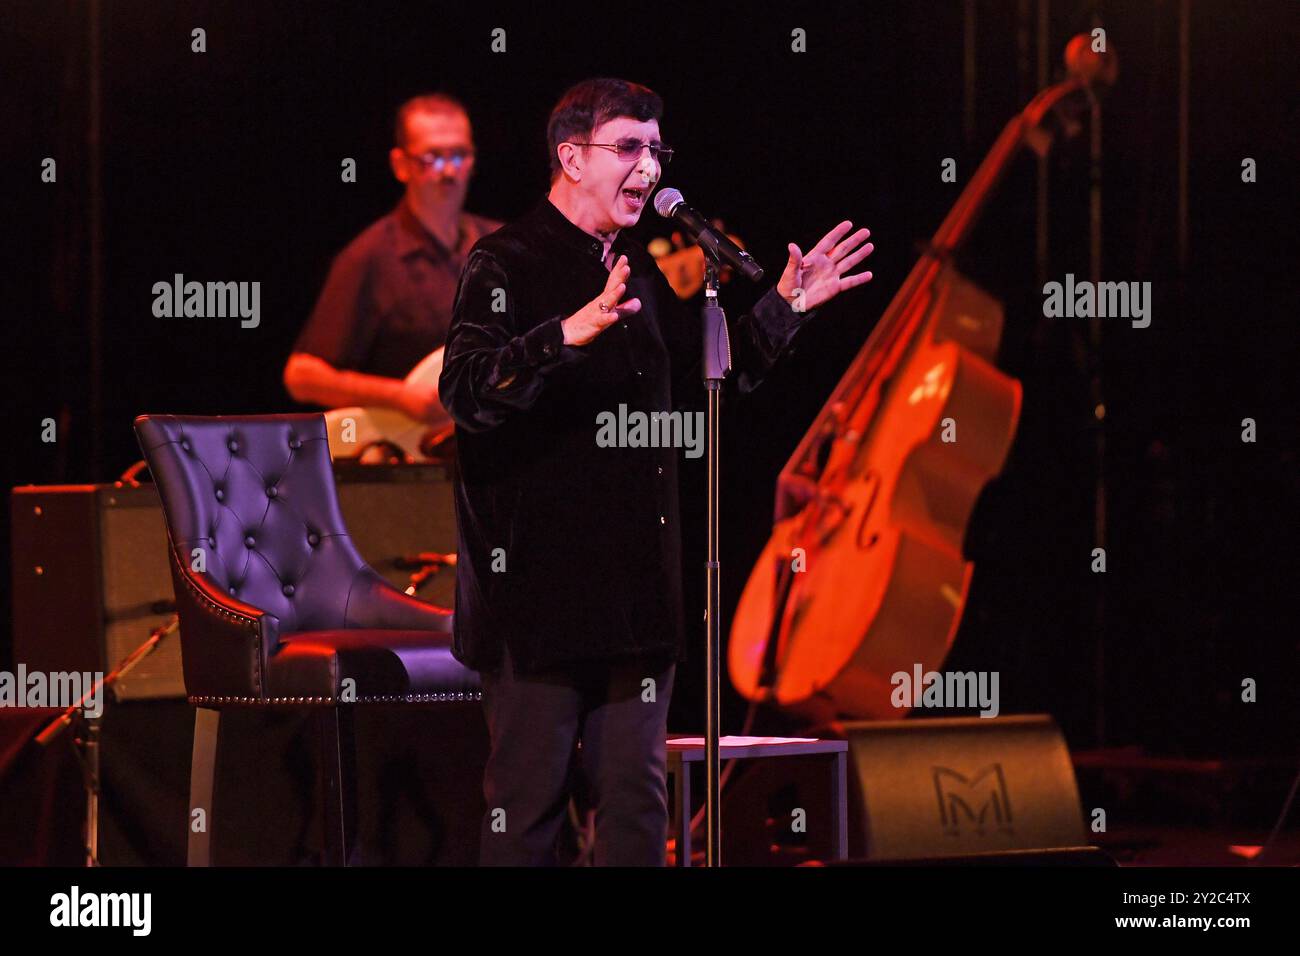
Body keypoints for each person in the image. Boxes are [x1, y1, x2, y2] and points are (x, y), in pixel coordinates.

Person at [438, 77, 874, 866]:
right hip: (537, 604)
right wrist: (564, 334)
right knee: (528, 811)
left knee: (638, 811)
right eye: (629, 148)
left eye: (655, 149)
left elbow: (716, 375)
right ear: (571, 157)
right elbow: (466, 394)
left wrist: (785, 305)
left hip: (637, 604)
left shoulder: (639, 270)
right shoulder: (503, 260)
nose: (648, 167)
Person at [284, 93, 501, 425]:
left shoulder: (501, 246)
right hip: (413, 460)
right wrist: (400, 397)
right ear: (401, 165)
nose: (448, 172)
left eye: (459, 155)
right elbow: (302, 376)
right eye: (431, 158)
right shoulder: (368, 256)